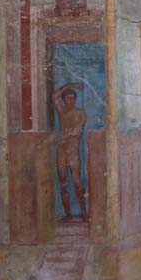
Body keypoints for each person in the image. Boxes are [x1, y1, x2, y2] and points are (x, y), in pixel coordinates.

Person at [53, 82, 88, 221]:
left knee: (77, 182)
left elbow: (77, 130)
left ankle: (84, 214)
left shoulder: (81, 113)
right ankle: (68, 215)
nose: (70, 101)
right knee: (63, 183)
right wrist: (69, 85)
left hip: (73, 152)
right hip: (62, 152)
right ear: (64, 100)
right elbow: (54, 97)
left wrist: (63, 137)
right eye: (67, 98)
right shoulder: (62, 112)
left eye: (72, 98)